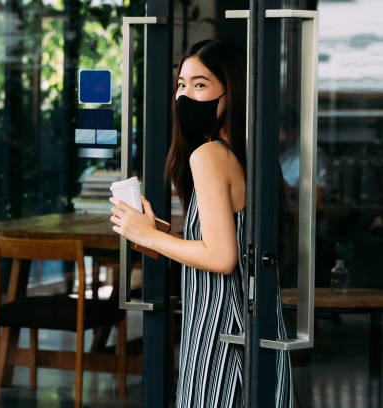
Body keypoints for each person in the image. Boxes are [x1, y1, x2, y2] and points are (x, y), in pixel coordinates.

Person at [109, 39, 294, 407]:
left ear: (231, 91)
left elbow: (221, 257)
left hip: (220, 337)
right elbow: (226, 244)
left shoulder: (209, 155)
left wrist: (148, 235)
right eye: (182, 84)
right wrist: (157, 235)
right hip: (246, 331)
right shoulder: (243, 153)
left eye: (200, 84)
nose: (185, 95)